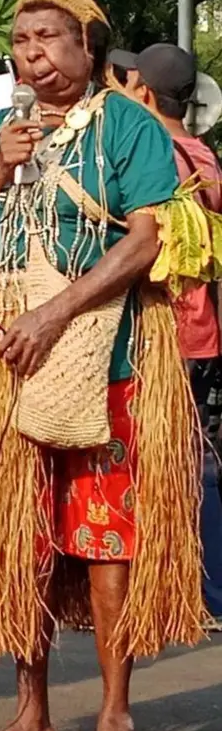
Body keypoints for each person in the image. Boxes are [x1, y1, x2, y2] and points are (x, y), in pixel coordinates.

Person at [0, 0, 203, 731]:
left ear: (88, 44)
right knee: (26, 537)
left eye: (49, 37)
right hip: (8, 368)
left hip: (110, 359)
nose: (32, 54)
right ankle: (33, 713)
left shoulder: (129, 126)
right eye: (20, 40)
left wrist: (57, 312)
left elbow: (148, 239)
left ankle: (116, 710)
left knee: (104, 539)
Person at [111, 42, 222, 617]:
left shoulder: (160, 155)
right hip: (203, 333)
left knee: (165, 466)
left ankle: (191, 593)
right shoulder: (204, 155)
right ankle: (201, 589)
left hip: (168, 333)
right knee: (190, 458)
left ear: (145, 93)